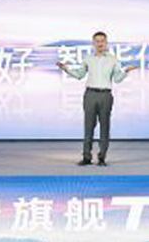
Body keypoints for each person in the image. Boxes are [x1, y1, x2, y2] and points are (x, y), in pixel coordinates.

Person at [56, 31, 138, 166]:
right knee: (88, 126)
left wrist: (125, 71)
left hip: (106, 95)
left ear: (106, 43)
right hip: (90, 94)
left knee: (105, 127)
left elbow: (117, 79)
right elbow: (79, 75)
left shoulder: (113, 59)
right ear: (93, 43)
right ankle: (86, 157)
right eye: (97, 41)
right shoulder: (88, 58)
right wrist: (66, 68)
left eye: (102, 41)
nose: (100, 43)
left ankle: (102, 157)